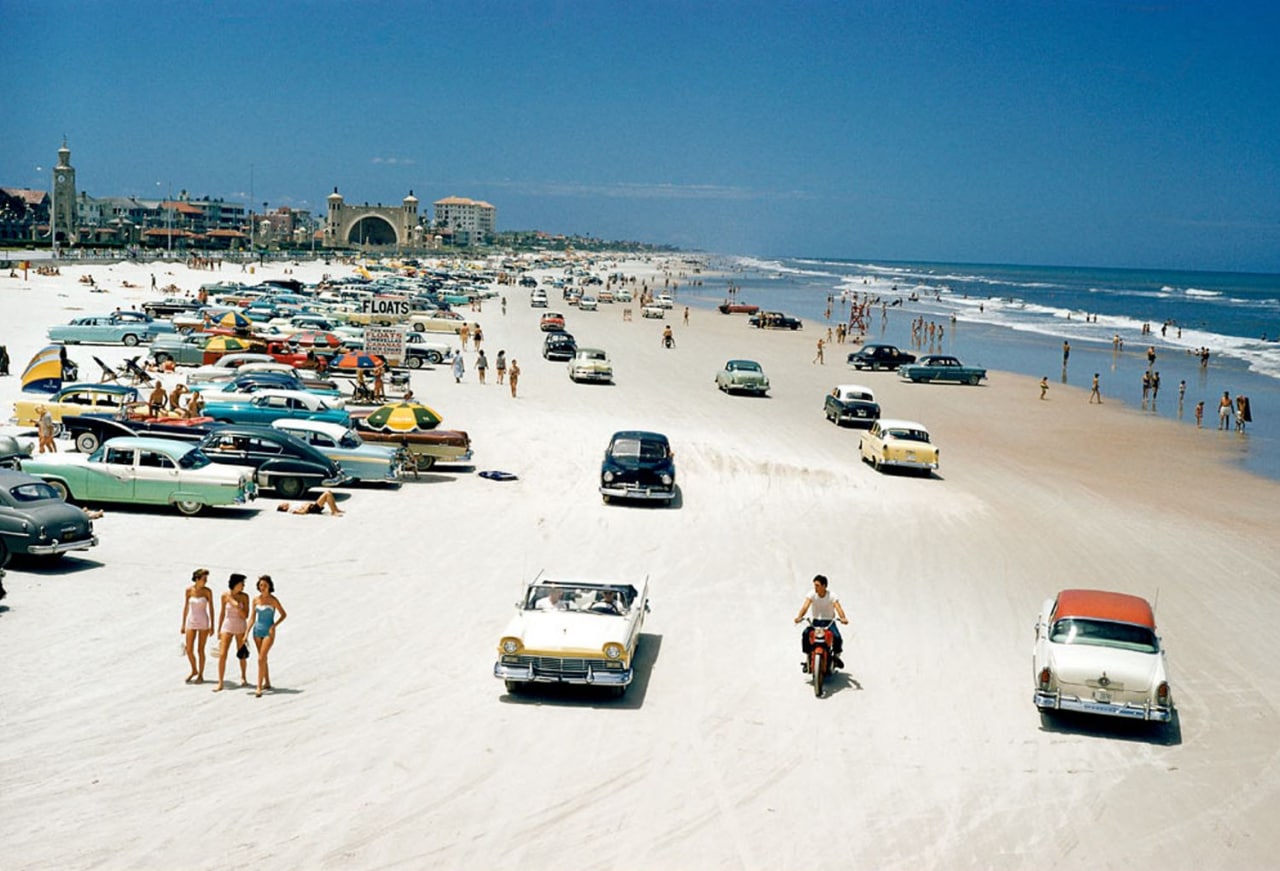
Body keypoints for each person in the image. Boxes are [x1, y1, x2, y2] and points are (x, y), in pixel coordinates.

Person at [794, 574, 848, 669]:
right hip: (816, 622)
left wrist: (843, 618)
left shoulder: (831, 596)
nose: (815, 587)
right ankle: (808, 657)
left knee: (837, 637)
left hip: (829, 622)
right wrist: (799, 617)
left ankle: (836, 656)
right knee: (806, 634)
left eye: (817, 585)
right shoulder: (812, 594)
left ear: (824, 586)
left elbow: (838, 607)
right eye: (815, 585)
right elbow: (805, 606)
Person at [250, 575, 286, 698]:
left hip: (268, 631)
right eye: (260, 585)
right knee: (262, 658)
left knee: (261, 658)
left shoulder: (273, 600)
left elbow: (283, 614)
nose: (262, 587)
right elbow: (251, 618)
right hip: (256, 631)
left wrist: (274, 625)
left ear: (269, 586)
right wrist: (245, 634)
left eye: (265, 585)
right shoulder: (255, 600)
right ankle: (267, 682)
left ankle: (259, 687)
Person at [213, 573, 250, 691]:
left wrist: (237, 606)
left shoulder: (245, 597)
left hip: (240, 626)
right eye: (241, 584)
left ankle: (243, 677)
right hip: (227, 626)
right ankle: (220, 682)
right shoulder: (225, 595)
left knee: (242, 654)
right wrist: (219, 629)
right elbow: (222, 613)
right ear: (235, 584)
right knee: (222, 654)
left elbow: (246, 616)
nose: (243, 586)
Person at [182, 568, 215, 684]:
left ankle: (201, 674)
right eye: (203, 579)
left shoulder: (207, 592)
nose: (205, 581)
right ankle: (194, 670)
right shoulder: (188, 590)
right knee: (189, 649)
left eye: (206, 579)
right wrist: (183, 624)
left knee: (200, 650)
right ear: (197, 579)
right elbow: (186, 607)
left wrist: (212, 625)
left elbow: (211, 608)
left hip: (203, 621)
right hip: (191, 620)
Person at [276, 490, 343, 515]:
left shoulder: (291, 507)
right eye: (282, 504)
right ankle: (334, 512)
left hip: (312, 506)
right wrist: (305, 508)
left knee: (329, 493)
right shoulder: (291, 509)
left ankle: (336, 509)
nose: (284, 502)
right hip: (312, 508)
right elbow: (300, 512)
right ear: (284, 508)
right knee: (327, 493)